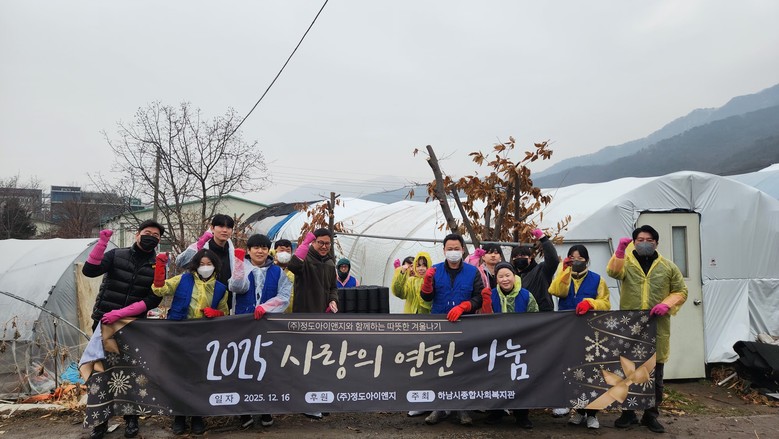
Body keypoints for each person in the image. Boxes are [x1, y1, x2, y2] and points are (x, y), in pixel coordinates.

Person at [81, 220, 165, 439]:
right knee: (101, 371)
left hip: (133, 326)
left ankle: (132, 420)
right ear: (136, 234)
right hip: (104, 323)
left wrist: (123, 313)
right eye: (147, 233)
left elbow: (155, 298)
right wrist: (101, 244)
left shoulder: (157, 264)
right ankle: (100, 421)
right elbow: (90, 270)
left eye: (155, 235)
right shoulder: (116, 255)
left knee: (132, 372)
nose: (151, 237)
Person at [607, 225, 688, 434]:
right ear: (634, 242)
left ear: (656, 243)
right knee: (627, 373)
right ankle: (628, 414)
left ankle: (650, 416)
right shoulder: (626, 263)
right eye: (640, 239)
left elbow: (681, 290)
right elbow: (613, 272)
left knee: (655, 377)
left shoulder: (668, 267)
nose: (645, 242)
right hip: (631, 328)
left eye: (650, 239)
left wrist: (667, 304)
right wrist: (619, 251)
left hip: (656, 327)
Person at [153, 248, 229, 435]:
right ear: (195, 265)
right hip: (178, 333)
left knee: (198, 377)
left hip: (203, 337)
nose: (205, 267)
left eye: (209, 264)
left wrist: (217, 313)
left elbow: (225, 313)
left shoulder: (220, 288)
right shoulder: (182, 279)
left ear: (215, 266)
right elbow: (159, 289)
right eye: (201, 264)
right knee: (178, 375)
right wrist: (160, 269)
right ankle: (179, 416)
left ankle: (197, 416)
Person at [419, 233, 484, 427]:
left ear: (463, 250)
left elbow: (478, 297)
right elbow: (427, 298)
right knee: (439, 366)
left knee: (462, 366)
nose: (453, 252)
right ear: (444, 250)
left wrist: (464, 307)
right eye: (450, 249)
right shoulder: (435, 270)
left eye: (456, 248)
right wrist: (427, 283)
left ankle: (462, 409)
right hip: (440, 324)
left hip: (464, 324)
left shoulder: (473, 272)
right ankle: (438, 408)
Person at [230, 234, 292, 429]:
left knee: (266, 366)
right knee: (244, 366)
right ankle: (244, 410)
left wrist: (267, 307)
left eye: (264, 247)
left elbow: (284, 295)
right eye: (256, 247)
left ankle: (266, 409)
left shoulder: (277, 271)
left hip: (268, 324)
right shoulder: (242, 266)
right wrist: (239, 267)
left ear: (269, 250)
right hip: (243, 324)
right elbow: (236, 287)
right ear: (249, 250)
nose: (260, 251)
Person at [548, 244, 611, 429]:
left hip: (590, 332)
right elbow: (555, 291)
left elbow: (605, 303)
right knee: (572, 371)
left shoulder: (597, 280)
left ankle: (592, 414)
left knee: (591, 372)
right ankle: (578, 411)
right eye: (572, 257)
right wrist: (564, 269)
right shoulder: (564, 276)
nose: (576, 261)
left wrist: (590, 303)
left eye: (580, 258)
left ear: (587, 260)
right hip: (567, 332)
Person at [287, 228, 338, 420]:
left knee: (320, 361)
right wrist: (304, 244)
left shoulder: (330, 262)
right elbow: (293, 265)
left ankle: (318, 399)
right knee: (305, 362)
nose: (324, 247)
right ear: (313, 242)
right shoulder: (306, 259)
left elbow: (333, 287)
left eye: (327, 243)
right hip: (304, 317)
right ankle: (305, 403)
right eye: (320, 243)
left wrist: (333, 301)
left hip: (323, 320)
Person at [481, 262, 538, 427]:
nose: (505, 279)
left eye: (508, 275)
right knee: (496, 379)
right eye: (501, 276)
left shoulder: (526, 295)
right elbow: (482, 321)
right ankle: (496, 412)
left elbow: (536, 318)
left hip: (520, 346)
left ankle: (522, 415)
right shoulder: (490, 295)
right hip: (496, 345)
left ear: (514, 276)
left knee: (520, 379)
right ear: (496, 279)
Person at [176, 214, 236, 312]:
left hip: (225, 305)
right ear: (212, 228)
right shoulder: (203, 247)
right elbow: (181, 262)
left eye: (229, 227)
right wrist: (199, 245)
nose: (225, 230)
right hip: (201, 303)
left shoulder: (233, 253)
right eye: (221, 226)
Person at [509, 228, 557, 312]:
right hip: (519, 316)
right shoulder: (510, 276)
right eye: (516, 257)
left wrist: (543, 239)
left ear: (530, 258)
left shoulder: (541, 271)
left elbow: (553, 260)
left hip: (542, 314)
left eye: (523, 256)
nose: (519, 259)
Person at [273, 239, 295, 313]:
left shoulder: (295, 271)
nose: (285, 253)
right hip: (273, 312)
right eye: (281, 250)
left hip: (292, 312)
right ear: (275, 252)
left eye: (288, 251)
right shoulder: (270, 270)